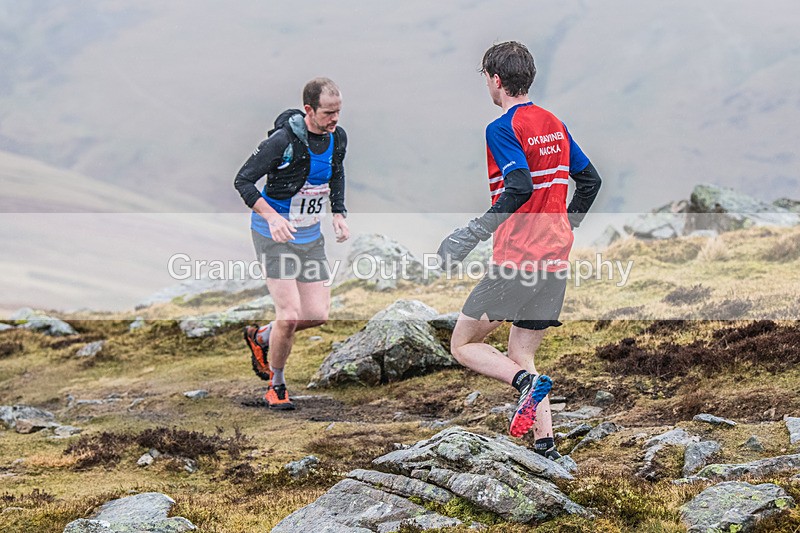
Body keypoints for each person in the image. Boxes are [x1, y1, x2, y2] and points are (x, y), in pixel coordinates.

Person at [437, 42, 602, 457]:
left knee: (463, 345)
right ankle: (545, 444)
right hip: (555, 261)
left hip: (517, 261)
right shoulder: (554, 123)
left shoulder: (501, 128)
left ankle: (524, 387)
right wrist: (567, 222)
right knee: (521, 353)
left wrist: (472, 233)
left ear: (496, 81)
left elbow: (519, 186)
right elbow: (591, 181)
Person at [234, 77, 349, 410]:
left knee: (317, 314)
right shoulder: (283, 141)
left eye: (339, 111)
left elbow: (337, 172)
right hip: (275, 236)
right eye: (328, 113)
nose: (335, 119)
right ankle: (277, 384)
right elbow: (243, 181)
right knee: (289, 314)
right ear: (309, 110)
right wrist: (272, 217)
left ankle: (261, 337)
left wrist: (338, 213)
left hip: (310, 237)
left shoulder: (337, 137)